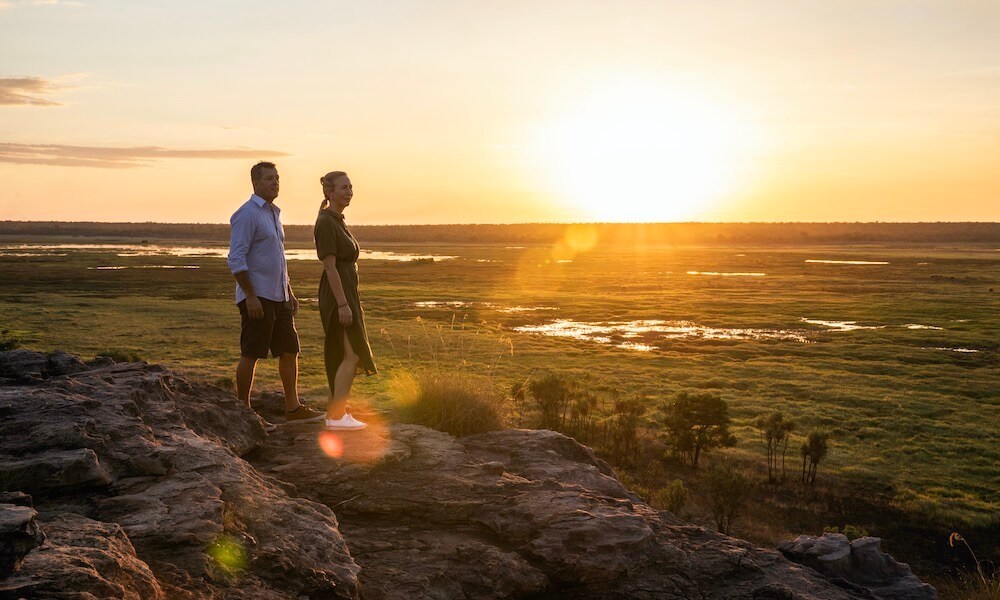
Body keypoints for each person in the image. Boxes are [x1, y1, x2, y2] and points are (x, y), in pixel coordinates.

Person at [228, 161, 325, 431]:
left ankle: (292, 408)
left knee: (290, 349)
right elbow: (236, 258)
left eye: (277, 178)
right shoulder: (247, 214)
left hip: (279, 295)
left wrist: (289, 291)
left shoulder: (273, 213)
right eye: (269, 178)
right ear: (255, 183)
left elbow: (277, 259)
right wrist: (250, 296)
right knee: (252, 352)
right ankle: (244, 414)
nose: (275, 183)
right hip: (257, 297)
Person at [314, 171, 377, 431]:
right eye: (343, 187)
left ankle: (335, 414)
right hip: (337, 295)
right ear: (330, 192)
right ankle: (337, 417)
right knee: (351, 355)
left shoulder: (337, 219)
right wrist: (342, 304)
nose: (349, 191)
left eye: (351, 187)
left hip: (346, 294)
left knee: (345, 353)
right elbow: (330, 267)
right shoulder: (327, 222)